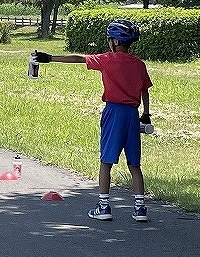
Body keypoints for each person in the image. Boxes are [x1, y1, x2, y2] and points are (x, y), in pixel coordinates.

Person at [33, 19, 153, 222]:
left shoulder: (107, 59)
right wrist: (146, 113)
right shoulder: (139, 64)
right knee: (134, 163)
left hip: (113, 112)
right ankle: (140, 208)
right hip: (133, 114)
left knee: (106, 161)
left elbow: (79, 58)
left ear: (114, 42)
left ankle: (104, 205)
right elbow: (145, 90)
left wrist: (50, 58)